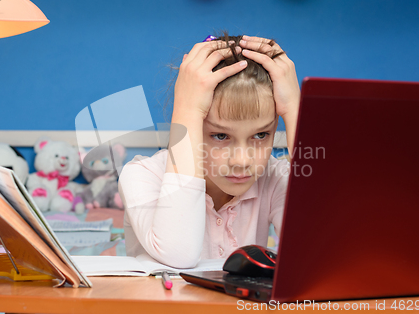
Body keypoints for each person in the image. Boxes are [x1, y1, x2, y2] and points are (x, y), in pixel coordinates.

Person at [118, 32, 300, 268]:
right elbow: (178, 255)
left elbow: (320, 251)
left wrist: (295, 109)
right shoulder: (142, 176)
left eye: (261, 135)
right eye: (221, 136)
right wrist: (187, 108)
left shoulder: (275, 178)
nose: (242, 161)